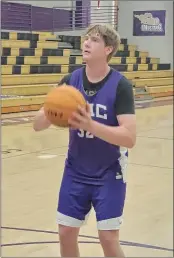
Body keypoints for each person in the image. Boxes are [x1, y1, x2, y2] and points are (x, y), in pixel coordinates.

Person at [33, 24, 136, 257]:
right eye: (86, 39)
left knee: (108, 238)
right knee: (66, 233)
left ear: (108, 49)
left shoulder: (121, 86)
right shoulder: (70, 81)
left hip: (110, 172)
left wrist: (91, 125)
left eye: (94, 40)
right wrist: (51, 109)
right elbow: (37, 125)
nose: (86, 43)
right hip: (75, 171)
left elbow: (129, 138)